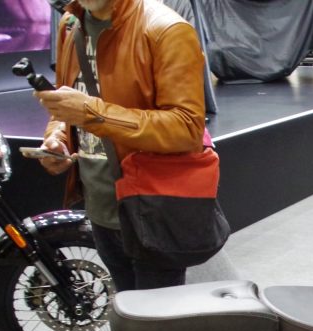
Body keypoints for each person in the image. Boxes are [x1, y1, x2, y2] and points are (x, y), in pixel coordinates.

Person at [35, 0, 206, 291]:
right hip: (99, 203)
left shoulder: (166, 29)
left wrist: (93, 113)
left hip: (152, 208)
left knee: (157, 314)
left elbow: (186, 127)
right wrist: (58, 138)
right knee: (127, 302)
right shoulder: (71, 24)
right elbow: (67, 101)